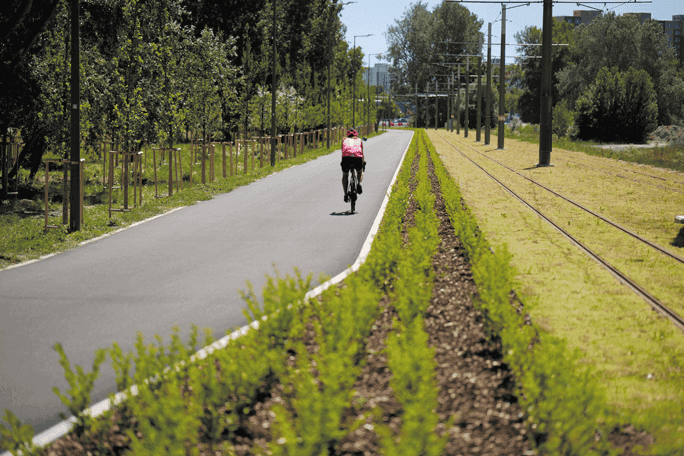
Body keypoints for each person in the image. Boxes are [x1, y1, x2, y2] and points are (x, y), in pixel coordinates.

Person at [341, 129, 365, 202]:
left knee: (345, 175)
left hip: (346, 159)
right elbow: (362, 153)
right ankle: (359, 183)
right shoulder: (359, 140)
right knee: (359, 171)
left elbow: (343, 152)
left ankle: (345, 194)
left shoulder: (344, 140)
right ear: (356, 135)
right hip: (357, 158)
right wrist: (363, 162)